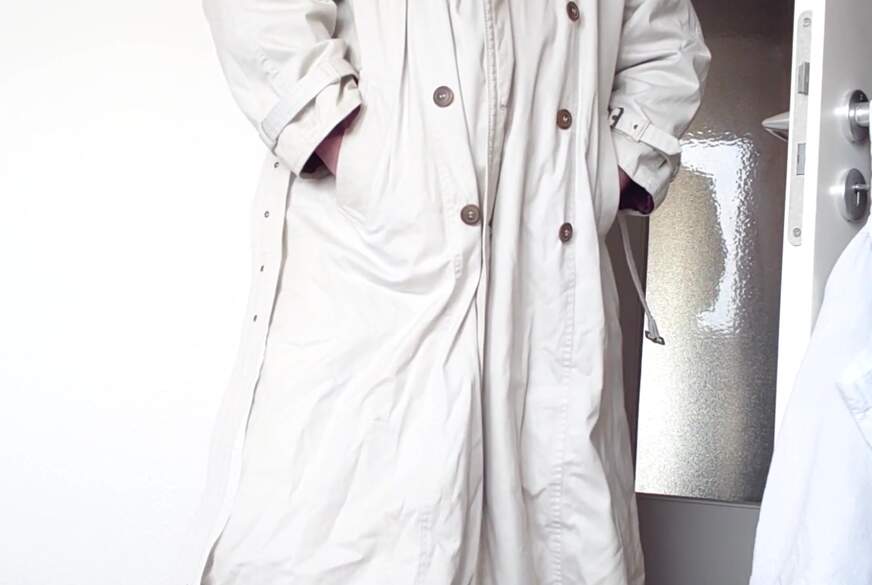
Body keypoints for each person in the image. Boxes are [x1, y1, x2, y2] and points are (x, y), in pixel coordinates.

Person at [175, 1, 710, 583]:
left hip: (546, 256)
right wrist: (358, 156)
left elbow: (666, 45)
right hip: (375, 256)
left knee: (548, 524)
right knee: (350, 523)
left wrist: (603, 178)